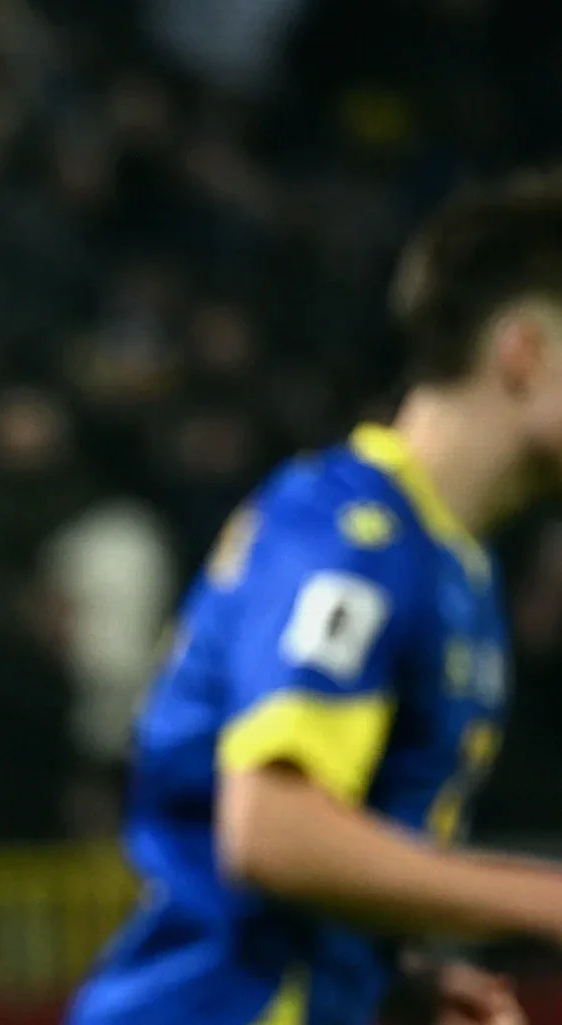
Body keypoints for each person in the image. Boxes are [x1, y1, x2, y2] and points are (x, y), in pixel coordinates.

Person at [65, 173, 562, 1025]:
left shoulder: (453, 565)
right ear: (524, 350)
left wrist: (384, 983)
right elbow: (270, 831)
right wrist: (544, 898)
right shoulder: (349, 534)